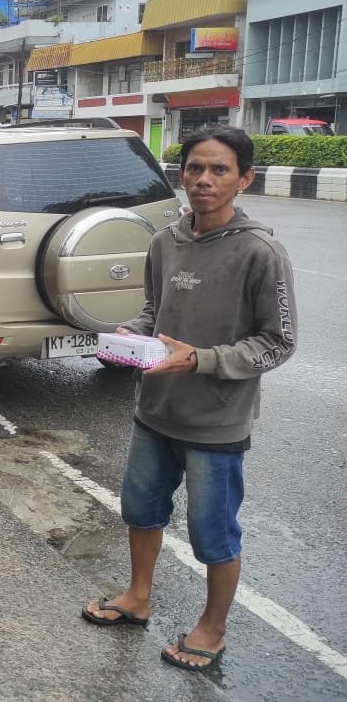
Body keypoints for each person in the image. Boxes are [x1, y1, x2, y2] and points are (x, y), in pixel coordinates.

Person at [81, 126, 297, 673]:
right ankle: (137, 596)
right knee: (141, 511)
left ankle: (213, 627)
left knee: (213, 533)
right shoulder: (165, 241)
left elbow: (279, 343)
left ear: (243, 178)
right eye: (195, 168)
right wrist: (132, 335)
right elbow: (156, 313)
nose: (204, 180)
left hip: (217, 425)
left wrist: (201, 359)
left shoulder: (260, 252)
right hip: (155, 412)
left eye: (219, 170)